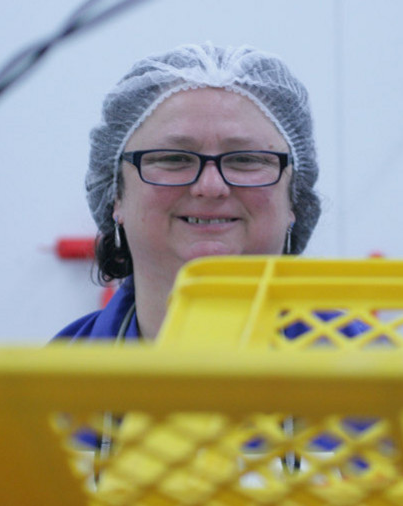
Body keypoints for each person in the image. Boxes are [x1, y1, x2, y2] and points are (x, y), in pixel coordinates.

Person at [54, 43, 321, 342]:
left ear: (294, 199)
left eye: (245, 160)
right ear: (116, 194)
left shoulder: (370, 364)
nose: (210, 187)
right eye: (173, 159)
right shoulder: (54, 380)